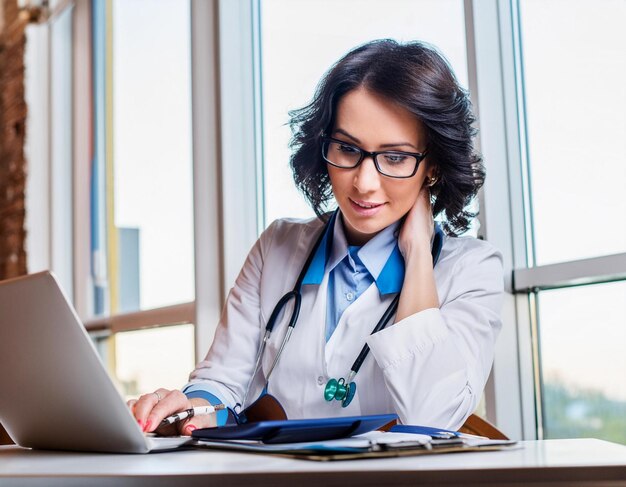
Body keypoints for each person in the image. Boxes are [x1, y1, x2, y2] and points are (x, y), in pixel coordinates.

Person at [129, 39, 504, 436]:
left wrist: (417, 258)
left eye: (394, 157)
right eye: (347, 149)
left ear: (432, 168)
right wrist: (192, 408)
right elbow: (222, 383)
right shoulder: (277, 245)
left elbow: (431, 418)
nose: (364, 182)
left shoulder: (472, 270)